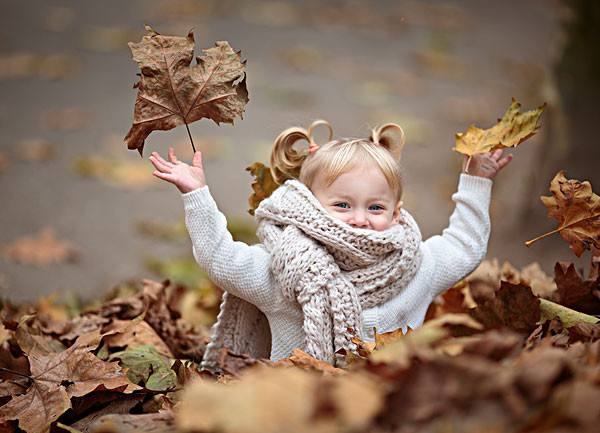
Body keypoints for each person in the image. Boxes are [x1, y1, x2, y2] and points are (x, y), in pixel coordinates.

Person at [148, 120, 512, 369]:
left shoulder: (415, 267)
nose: (359, 218)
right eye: (342, 205)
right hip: (295, 409)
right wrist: (196, 195)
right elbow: (219, 257)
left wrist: (475, 182)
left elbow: (464, 246)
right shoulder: (285, 271)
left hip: (389, 406)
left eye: (375, 207)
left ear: (397, 212)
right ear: (309, 204)